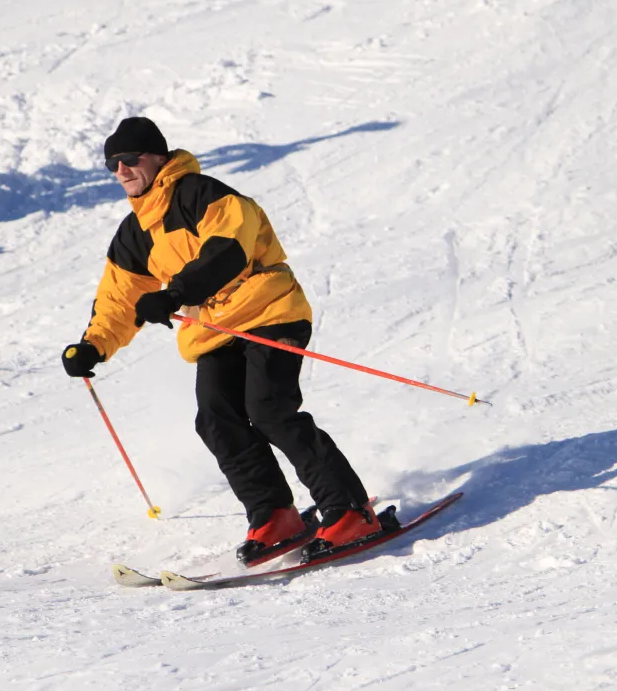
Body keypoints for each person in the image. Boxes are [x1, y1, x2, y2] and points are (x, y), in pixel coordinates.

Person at [61, 116, 381, 562]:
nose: (121, 171)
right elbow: (118, 300)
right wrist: (93, 345)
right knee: (216, 419)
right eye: (112, 164)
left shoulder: (203, 194)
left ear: (157, 156)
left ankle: (349, 510)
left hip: (269, 312)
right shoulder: (135, 233)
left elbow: (228, 250)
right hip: (214, 330)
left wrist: (174, 293)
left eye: (130, 159)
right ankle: (276, 515)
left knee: (269, 410)